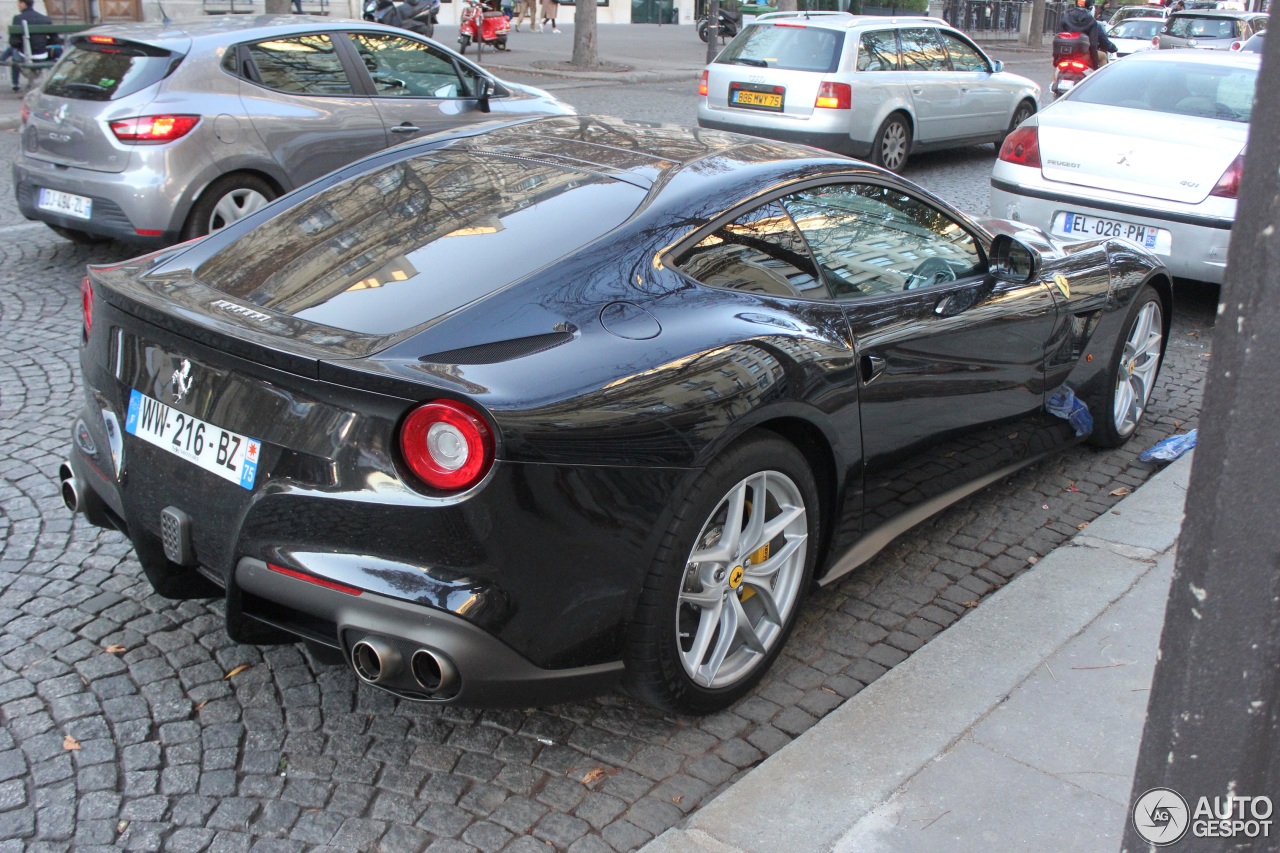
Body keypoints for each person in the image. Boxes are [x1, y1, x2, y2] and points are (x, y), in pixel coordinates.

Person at [2, 0, 53, 92]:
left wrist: (21, 44)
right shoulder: (45, 18)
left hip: (26, 56)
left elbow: (13, 42)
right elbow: (55, 40)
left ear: (23, 4)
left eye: (18, 3)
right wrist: (43, 42)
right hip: (43, 54)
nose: (18, 6)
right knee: (13, 49)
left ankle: (15, 83)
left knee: (13, 49)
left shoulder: (18, 18)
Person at [1061, 0, 1117, 66]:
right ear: (1091, 7)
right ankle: (1100, 76)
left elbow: (1059, 37)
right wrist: (1113, 48)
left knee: (1058, 69)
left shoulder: (1065, 18)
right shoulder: (1093, 22)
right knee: (1103, 56)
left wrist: (1056, 60)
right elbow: (1097, 43)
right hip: (1085, 55)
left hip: (1067, 54)